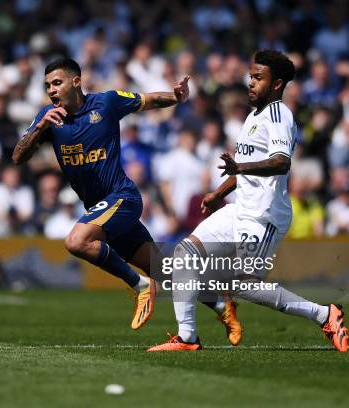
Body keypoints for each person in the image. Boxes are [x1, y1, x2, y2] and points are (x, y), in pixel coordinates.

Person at [12, 58, 236, 333]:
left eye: (57, 83)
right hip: (100, 208)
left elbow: (148, 100)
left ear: (76, 81)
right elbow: (18, 157)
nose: (52, 90)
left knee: (76, 241)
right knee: (162, 268)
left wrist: (175, 97)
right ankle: (223, 308)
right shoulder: (48, 117)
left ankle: (139, 285)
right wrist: (39, 129)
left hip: (123, 197)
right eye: (48, 85)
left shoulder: (106, 103)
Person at [148, 50, 349, 352]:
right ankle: (187, 337)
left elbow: (281, 162)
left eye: (258, 77)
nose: (250, 83)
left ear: (277, 84)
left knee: (245, 286)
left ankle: (324, 314)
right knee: (185, 253)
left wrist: (239, 169)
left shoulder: (280, 116)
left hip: (264, 216)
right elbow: (246, 166)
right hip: (240, 208)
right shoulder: (254, 116)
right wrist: (219, 193)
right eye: (251, 76)